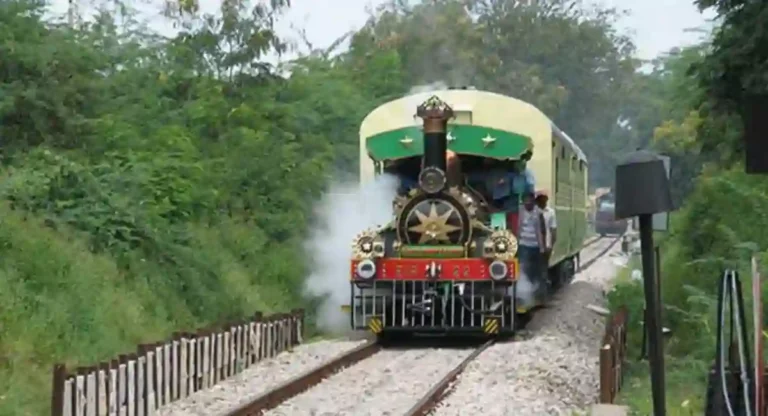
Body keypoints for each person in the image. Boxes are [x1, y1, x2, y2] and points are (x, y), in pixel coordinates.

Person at [517, 192, 547, 297]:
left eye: (529, 201)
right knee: (524, 267)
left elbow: (542, 230)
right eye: (525, 201)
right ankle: (524, 292)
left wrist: (542, 247)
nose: (527, 203)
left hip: (535, 245)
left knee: (535, 270)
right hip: (523, 243)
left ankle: (535, 292)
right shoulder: (520, 210)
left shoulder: (538, 212)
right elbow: (517, 226)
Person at [535, 190, 557, 261]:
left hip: (546, 246)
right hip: (534, 246)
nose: (541, 200)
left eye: (543, 198)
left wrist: (551, 246)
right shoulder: (533, 212)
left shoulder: (551, 212)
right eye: (539, 198)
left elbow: (553, 230)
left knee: (543, 267)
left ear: (546, 199)